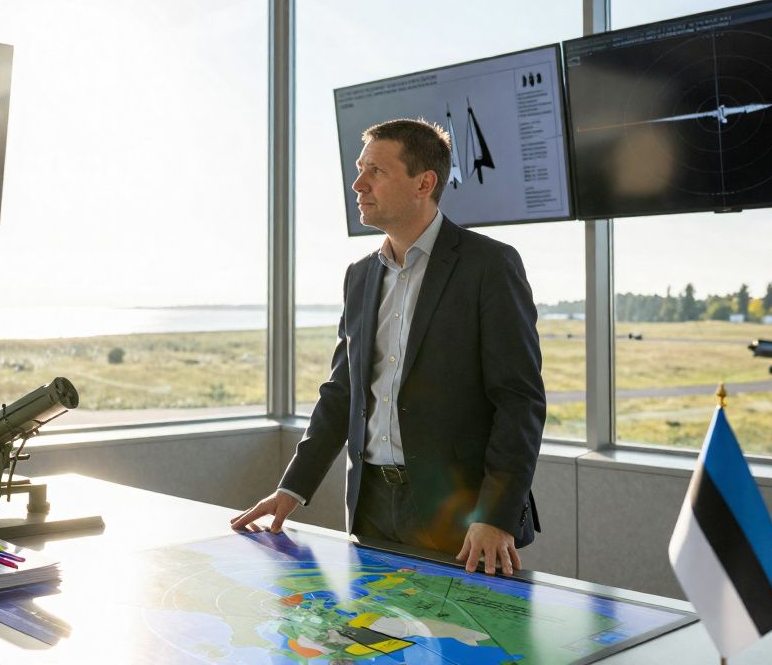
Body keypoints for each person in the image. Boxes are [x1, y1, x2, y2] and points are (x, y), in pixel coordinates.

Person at [230, 118, 546, 576]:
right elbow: (342, 393)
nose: (358, 184)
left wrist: (495, 516)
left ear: (424, 183)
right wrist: (291, 488)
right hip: (371, 504)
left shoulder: (490, 265)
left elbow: (519, 402)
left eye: (375, 171)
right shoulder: (359, 276)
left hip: (460, 515)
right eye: (360, 169)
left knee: (461, 645)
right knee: (370, 642)